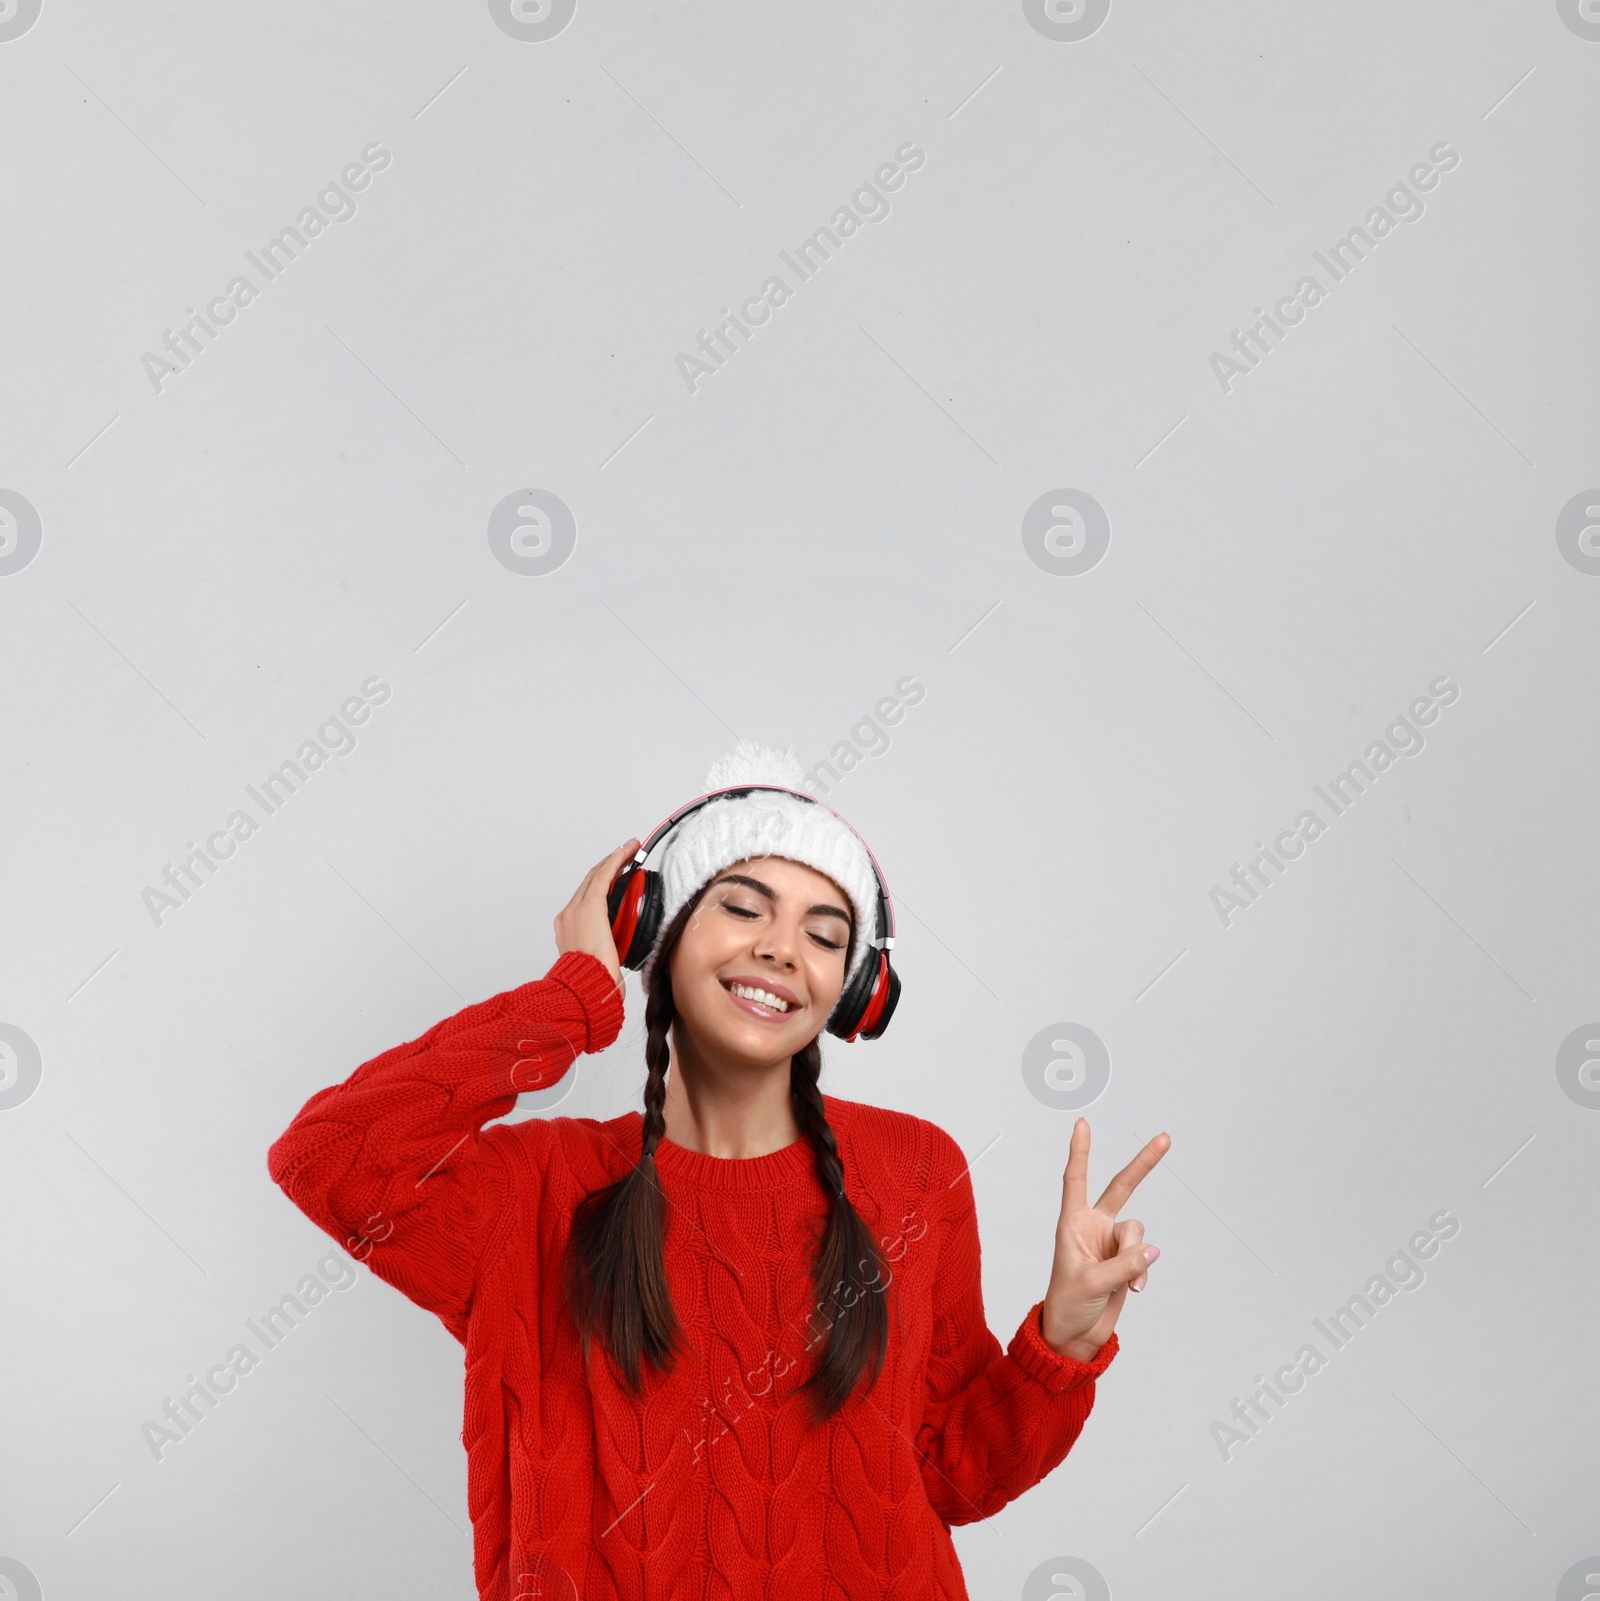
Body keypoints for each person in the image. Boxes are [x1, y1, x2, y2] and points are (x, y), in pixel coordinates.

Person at [267, 740, 1169, 1599]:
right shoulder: (536, 1189)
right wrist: (571, 997)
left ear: (852, 989)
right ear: (652, 929)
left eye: (824, 934)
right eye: (742, 907)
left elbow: (948, 1471)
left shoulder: (914, 1172)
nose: (781, 948)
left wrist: (1066, 1337)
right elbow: (330, 1158)